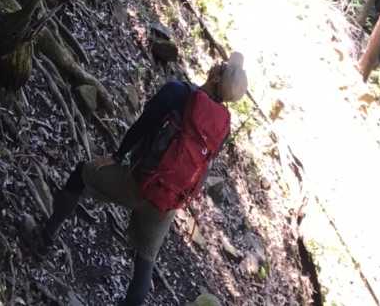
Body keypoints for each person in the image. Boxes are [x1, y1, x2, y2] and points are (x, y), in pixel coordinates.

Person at [31, 51, 247, 305]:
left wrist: (117, 156)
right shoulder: (223, 126)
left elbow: (144, 124)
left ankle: (43, 239)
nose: (218, 64)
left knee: (81, 173)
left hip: (138, 182)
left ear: (215, 76)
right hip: (167, 202)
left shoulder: (177, 92)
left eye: (222, 66)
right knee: (145, 262)